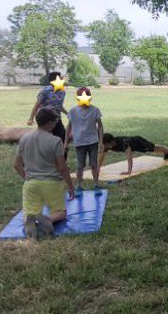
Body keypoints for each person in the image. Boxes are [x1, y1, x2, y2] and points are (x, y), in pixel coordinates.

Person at [14, 108, 76, 240]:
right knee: (60, 213)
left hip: (31, 184)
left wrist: (27, 178)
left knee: (30, 212)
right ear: (50, 122)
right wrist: (71, 186)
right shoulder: (55, 141)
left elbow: (16, 165)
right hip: (52, 183)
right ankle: (47, 219)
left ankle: (30, 221)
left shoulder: (24, 139)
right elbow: (62, 167)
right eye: (55, 121)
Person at [65, 87, 104, 188]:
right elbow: (69, 127)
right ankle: (79, 185)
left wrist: (101, 142)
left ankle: (96, 184)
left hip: (93, 142)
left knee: (94, 165)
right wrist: (65, 143)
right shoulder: (73, 111)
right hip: (79, 143)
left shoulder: (95, 110)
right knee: (80, 166)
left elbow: (100, 126)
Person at [27, 71, 69, 158]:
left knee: (62, 140)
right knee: (45, 141)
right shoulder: (45, 91)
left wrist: (68, 114)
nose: (63, 79)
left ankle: (62, 163)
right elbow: (37, 105)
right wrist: (31, 118)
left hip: (57, 120)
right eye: (61, 78)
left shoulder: (62, 92)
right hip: (45, 120)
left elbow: (59, 106)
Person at [100, 133, 168, 176]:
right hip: (134, 145)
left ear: (111, 142)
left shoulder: (123, 143)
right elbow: (102, 157)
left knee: (153, 148)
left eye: (106, 145)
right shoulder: (107, 146)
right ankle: (166, 153)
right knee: (153, 148)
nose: (105, 147)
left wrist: (129, 171)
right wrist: (98, 168)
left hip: (138, 142)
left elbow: (129, 156)